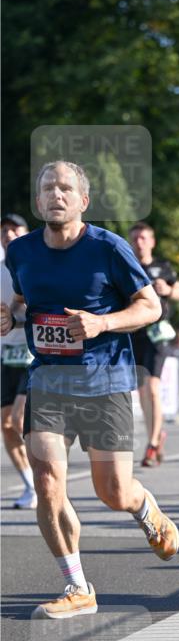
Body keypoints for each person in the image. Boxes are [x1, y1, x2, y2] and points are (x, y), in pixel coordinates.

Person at [0, 161, 179, 619]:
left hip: (106, 382)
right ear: (38, 201)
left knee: (113, 491)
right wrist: (8, 317)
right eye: (46, 188)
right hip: (49, 380)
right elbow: (23, 303)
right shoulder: (20, 254)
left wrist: (102, 322)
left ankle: (146, 510)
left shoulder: (108, 248)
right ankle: (77, 586)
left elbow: (150, 306)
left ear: (83, 201)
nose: (55, 195)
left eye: (65, 188)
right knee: (48, 483)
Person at [128, 222, 179, 467]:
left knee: (152, 387)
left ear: (152, 241)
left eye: (143, 238)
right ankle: (157, 435)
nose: (139, 242)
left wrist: (168, 289)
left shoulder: (163, 267)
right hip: (135, 333)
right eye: (135, 238)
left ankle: (151, 445)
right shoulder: (127, 266)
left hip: (157, 334)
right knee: (142, 392)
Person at [1, 214, 37, 509]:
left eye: (15, 229)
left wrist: (14, 318)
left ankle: (46, 476)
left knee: (18, 419)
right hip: (5, 355)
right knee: (6, 425)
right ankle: (30, 485)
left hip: (32, 354)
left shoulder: (34, 267)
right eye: (4, 231)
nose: (9, 234)